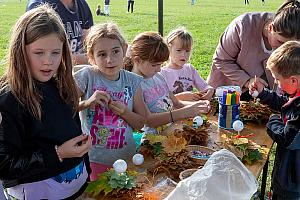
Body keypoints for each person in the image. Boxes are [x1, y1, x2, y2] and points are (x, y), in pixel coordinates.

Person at [0, 5, 92, 200]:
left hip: (78, 188)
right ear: (20, 52)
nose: (48, 61)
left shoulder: (63, 84)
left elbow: (74, 129)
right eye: (39, 52)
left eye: (55, 53)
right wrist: (57, 154)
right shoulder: (9, 100)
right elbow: (5, 165)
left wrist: (86, 168)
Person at [74, 23, 145, 181]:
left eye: (115, 51)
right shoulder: (87, 76)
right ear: (91, 57)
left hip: (127, 158)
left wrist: (125, 112)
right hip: (94, 159)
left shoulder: (133, 81)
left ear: (124, 49)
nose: (109, 59)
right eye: (101, 54)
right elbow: (63, 109)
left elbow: (141, 123)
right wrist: (87, 102)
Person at [207, 0, 300, 100]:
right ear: (270, 28)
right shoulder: (242, 26)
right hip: (229, 92)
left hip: (266, 96)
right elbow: (221, 60)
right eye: (280, 42)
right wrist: (247, 81)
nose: (283, 49)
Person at [125, 32, 210, 134]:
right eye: (154, 65)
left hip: (174, 130)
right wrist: (184, 112)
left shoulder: (158, 77)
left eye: (160, 64)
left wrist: (197, 106)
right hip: (154, 140)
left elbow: (176, 103)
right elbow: (148, 121)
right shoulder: (133, 84)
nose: (159, 69)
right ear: (137, 60)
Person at [249, 40, 300, 199]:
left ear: (293, 80)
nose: (276, 83)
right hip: (288, 174)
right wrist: (264, 94)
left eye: (277, 80)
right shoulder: (296, 94)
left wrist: (273, 120)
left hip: (292, 183)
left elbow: (287, 138)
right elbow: (285, 103)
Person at [26, 0, 94, 65]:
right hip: (49, 73)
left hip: (74, 71)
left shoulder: (82, 4)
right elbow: (38, 55)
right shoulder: (39, 5)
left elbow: (87, 39)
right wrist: (75, 59)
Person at [161, 27, 214, 101]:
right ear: (168, 49)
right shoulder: (162, 73)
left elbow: (204, 86)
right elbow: (161, 100)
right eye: (179, 50)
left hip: (192, 110)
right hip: (174, 111)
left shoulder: (189, 69)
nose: (183, 55)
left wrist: (209, 90)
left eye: (187, 51)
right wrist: (180, 97)